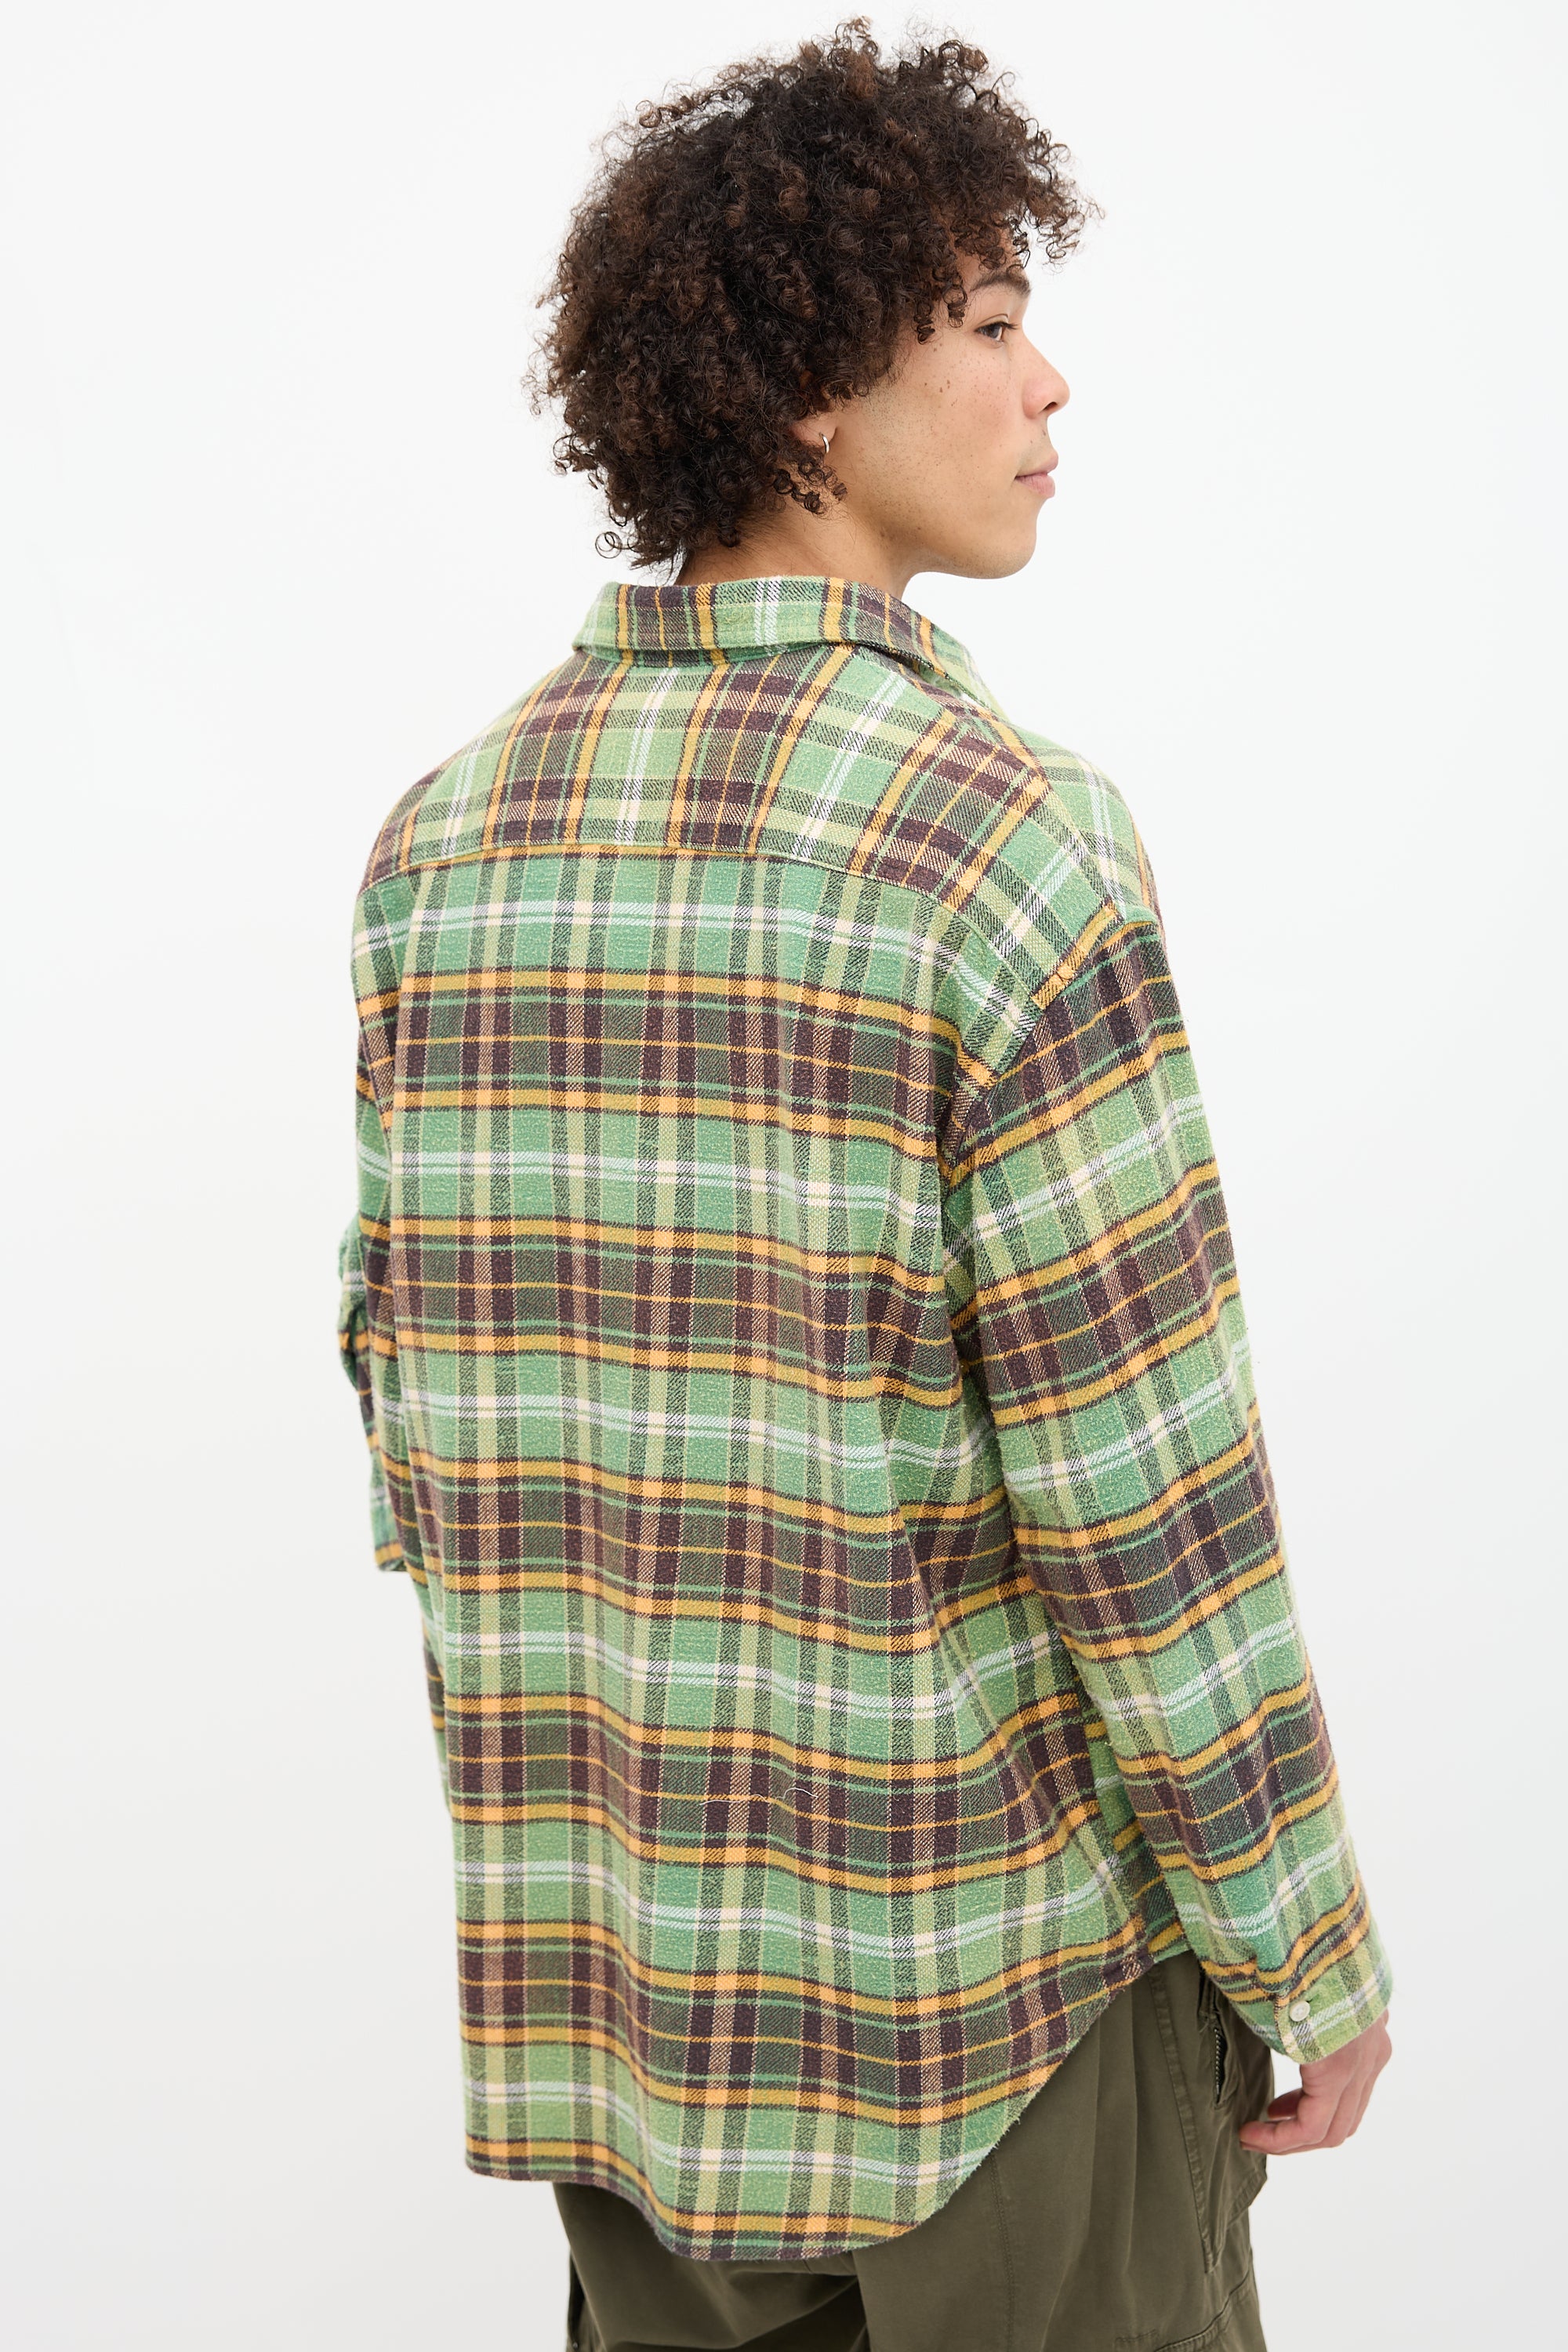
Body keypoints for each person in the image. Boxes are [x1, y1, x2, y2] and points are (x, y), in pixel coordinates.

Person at [336, 24, 1392, 2350]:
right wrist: (1306, 1946)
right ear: (814, 397)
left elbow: (426, 1443)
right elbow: (1149, 1496)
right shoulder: (1003, 841)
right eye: (993, 324)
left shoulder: (445, 846)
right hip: (995, 2022)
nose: (1051, 385)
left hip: (629, 2019)